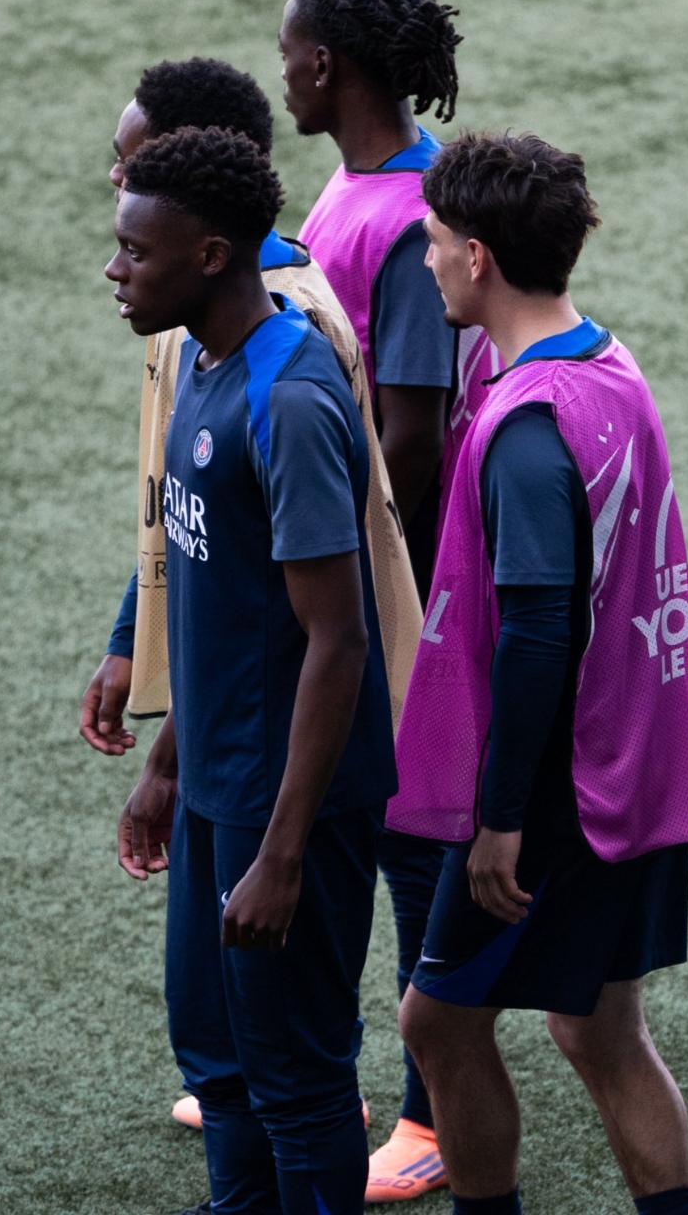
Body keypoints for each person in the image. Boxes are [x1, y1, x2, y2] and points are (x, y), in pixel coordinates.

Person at [77, 61, 422, 1143]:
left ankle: (415, 1127)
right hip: (221, 755)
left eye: (133, 177)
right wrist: (149, 686)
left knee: (296, 1059)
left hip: (293, 768)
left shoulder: (285, 354)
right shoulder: (202, 348)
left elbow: (332, 628)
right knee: (220, 1040)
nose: (113, 253)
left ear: (206, 238)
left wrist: (280, 845)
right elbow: (196, 541)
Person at [391, 132, 688, 1215]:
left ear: (479, 256)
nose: (427, 259)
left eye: (435, 241)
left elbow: (539, 633)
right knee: (599, 1028)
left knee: (438, 1023)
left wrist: (499, 820)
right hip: (635, 754)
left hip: (559, 784)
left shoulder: (529, 423)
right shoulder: (608, 366)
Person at [279, 0, 492, 1200]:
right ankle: (332, 1081)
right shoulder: (362, 180)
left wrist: (364, 583)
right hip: (373, 567)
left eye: (289, 53)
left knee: (414, 837)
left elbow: (410, 430)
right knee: (356, 825)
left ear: (327, 66)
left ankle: (432, 1115)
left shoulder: (409, 210)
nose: (282, 73)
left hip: (410, 581)